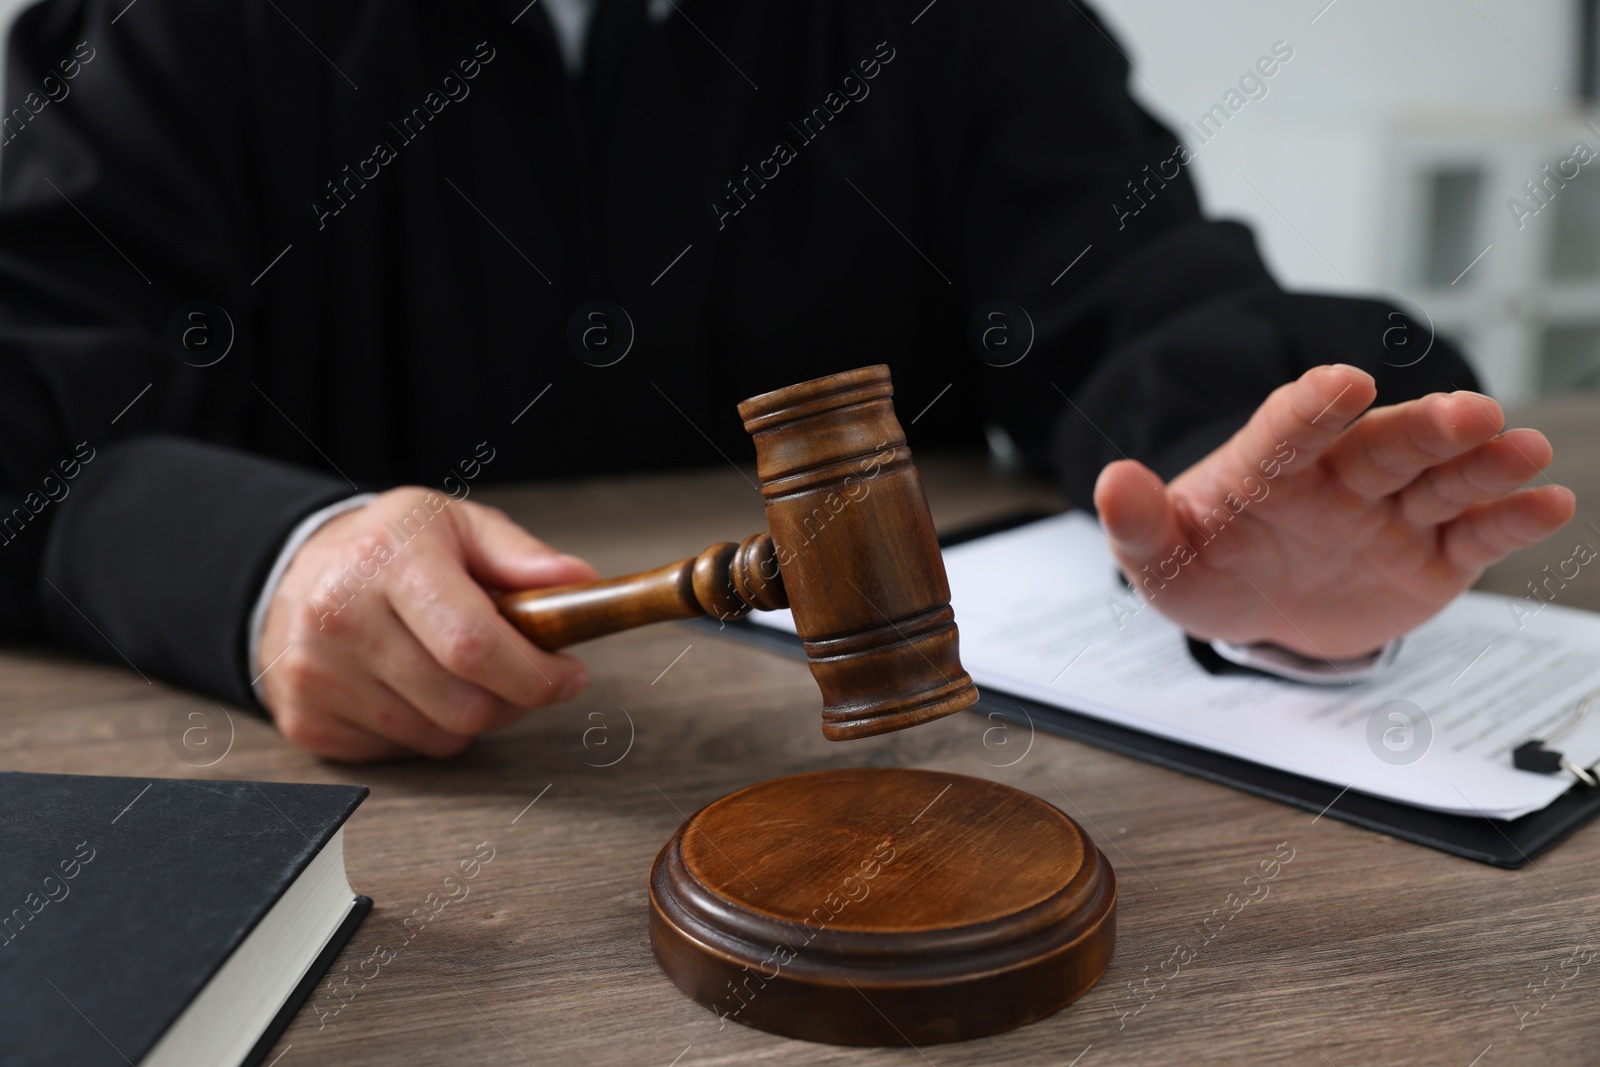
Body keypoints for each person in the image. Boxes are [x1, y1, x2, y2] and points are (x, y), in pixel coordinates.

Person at [0, 0, 1573, 761]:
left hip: (901, 799)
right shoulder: (169, 27)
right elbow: (27, 400)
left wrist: (1256, 474)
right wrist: (267, 570)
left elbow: (1136, 289)